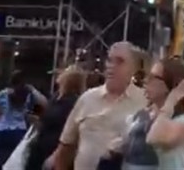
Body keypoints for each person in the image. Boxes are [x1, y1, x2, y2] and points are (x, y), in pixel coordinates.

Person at [47, 42, 147, 170]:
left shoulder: (144, 101)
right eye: (109, 60)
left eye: (120, 61)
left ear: (134, 68)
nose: (111, 66)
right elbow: (66, 147)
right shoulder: (87, 99)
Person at [24, 66, 85, 170]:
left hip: (55, 149)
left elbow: (71, 131)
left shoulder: (72, 102)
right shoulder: (55, 97)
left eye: (63, 73)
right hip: (40, 148)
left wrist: (57, 155)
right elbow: (46, 116)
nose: (59, 75)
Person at [0, 71, 48, 170]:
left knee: (2, 161)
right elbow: (45, 104)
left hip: (1, 132)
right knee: (16, 163)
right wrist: (33, 90)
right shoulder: (28, 95)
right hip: (20, 132)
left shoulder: (2, 94)